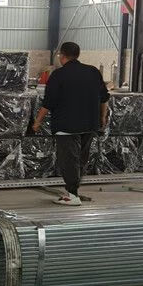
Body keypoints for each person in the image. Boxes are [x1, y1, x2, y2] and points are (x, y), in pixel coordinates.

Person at [32, 42, 109, 206]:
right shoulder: (93, 72)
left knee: (68, 160)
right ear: (78, 55)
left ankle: (72, 195)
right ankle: (73, 191)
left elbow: (49, 102)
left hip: (66, 125)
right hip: (89, 124)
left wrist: (37, 121)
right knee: (81, 159)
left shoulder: (59, 75)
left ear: (62, 55)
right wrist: (102, 117)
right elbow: (104, 97)